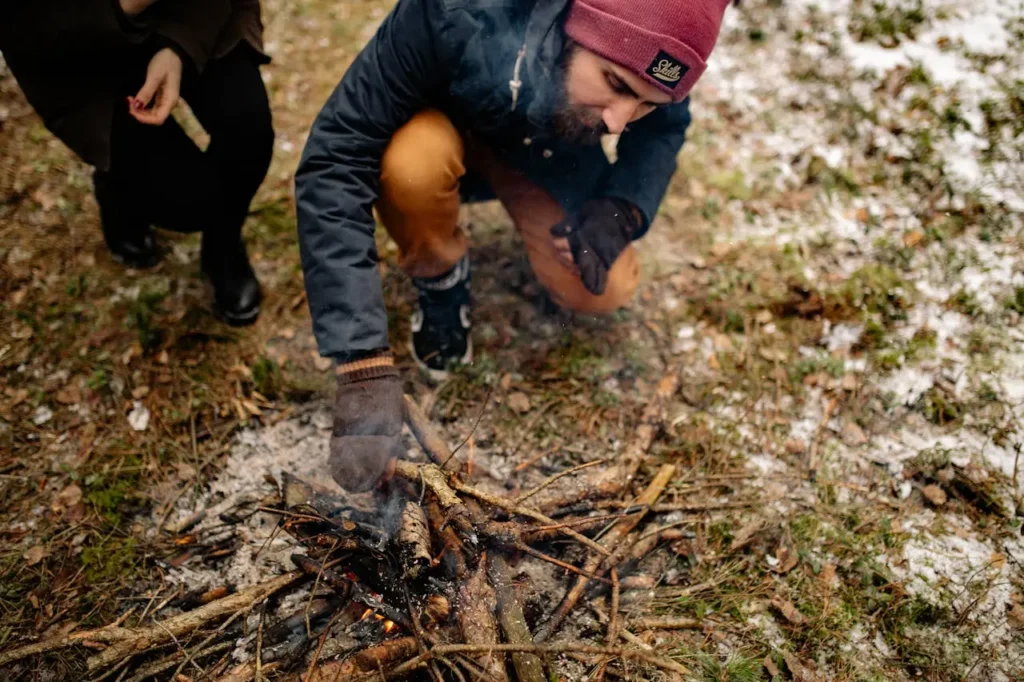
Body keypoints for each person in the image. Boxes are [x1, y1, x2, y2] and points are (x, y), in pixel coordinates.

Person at [295, 0, 731, 492]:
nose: (618, 121)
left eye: (646, 103)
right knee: (412, 168)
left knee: (601, 289)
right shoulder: (450, 11)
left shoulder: (659, 46)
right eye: (615, 84)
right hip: (439, 131)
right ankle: (440, 277)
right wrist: (360, 355)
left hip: (544, 155)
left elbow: (664, 129)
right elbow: (337, 156)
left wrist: (622, 207)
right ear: (573, 26)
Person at [1, 0, 274, 325]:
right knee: (188, 202)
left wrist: (178, 45)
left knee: (249, 130)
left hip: (196, 9)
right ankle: (115, 185)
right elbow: (30, 31)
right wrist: (125, 8)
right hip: (77, 58)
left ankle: (223, 247)